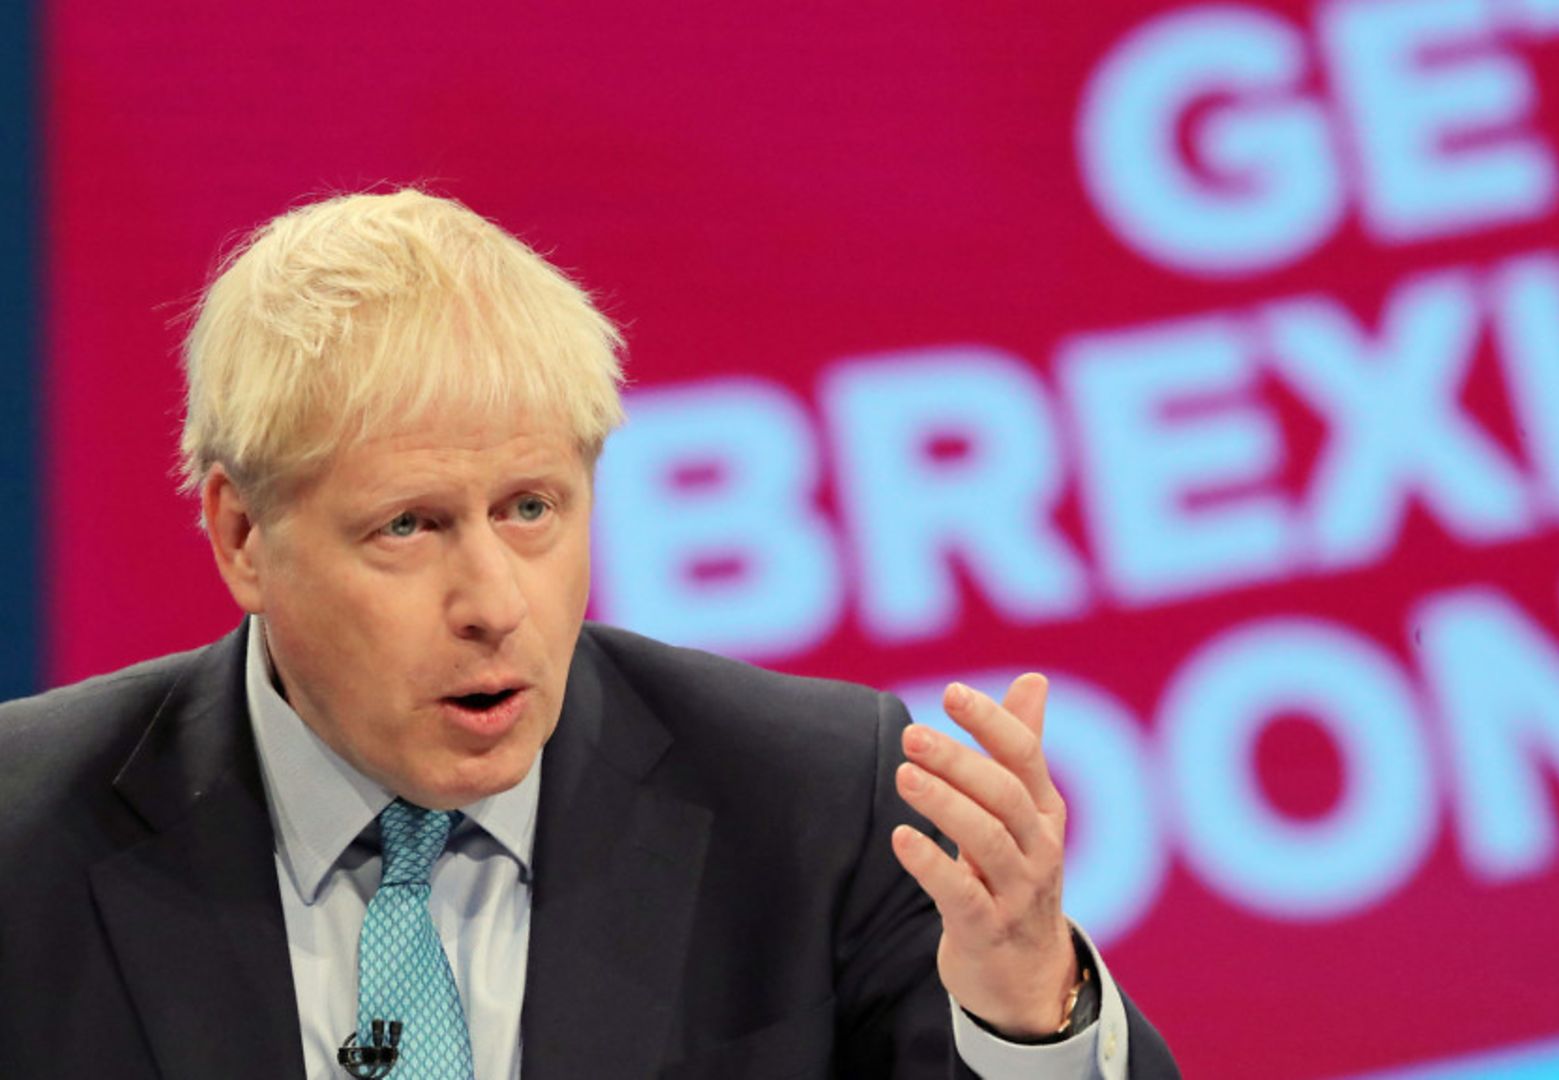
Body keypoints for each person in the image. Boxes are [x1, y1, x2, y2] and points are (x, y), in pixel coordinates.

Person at [0, 189, 1179, 1079]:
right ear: (242, 534)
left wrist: (1031, 1006)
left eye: (531, 510)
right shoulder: (23, 832)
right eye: (408, 527)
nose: (495, 602)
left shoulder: (814, 798)